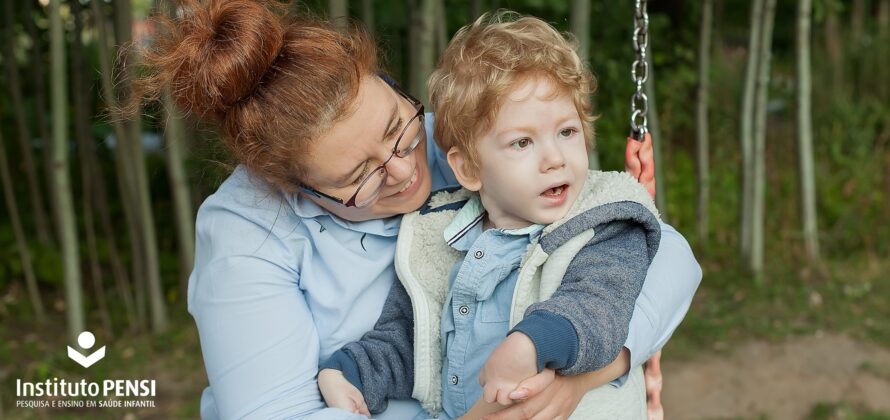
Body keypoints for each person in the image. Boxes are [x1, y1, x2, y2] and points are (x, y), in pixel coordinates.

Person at [133, 0, 701, 418]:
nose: (407, 170)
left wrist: (591, 370)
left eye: (398, 131)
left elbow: (649, 248)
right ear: (295, 187)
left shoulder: (465, 144)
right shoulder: (247, 232)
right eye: (361, 176)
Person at [316, 14, 666, 419]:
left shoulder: (603, 225)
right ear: (468, 169)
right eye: (522, 142)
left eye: (567, 132)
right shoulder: (442, 238)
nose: (555, 158)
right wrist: (350, 372)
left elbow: (598, 307)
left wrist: (531, 344)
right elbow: (408, 339)